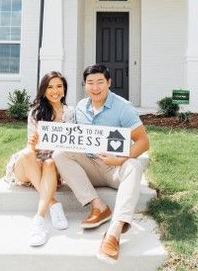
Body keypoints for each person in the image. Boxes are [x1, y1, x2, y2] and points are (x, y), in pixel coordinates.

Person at [53, 64, 150, 264]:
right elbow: (73, 138)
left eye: (100, 82)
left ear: (109, 83)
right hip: (90, 164)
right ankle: (98, 206)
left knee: (134, 165)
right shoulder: (80, 107)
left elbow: (143, 142)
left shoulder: (123, 107)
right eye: (90, 83)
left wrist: (120, 159)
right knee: (60, 153)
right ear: (84, 85)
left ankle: (114, 232)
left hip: (114, 167)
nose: (95, 88)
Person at [4, 71, 76, 246]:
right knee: (27, 153)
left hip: (53, 164)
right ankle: (53, 204)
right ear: (44, 90)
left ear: (64, 90)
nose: (55, 91)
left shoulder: (70, 113)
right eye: (50, 87)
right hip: (31, 164)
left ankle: (39, 220)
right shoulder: (36, 112)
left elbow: (72, 145)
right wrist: (33, 144)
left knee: (51, 162)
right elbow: (31, 150)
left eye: (59, 86)